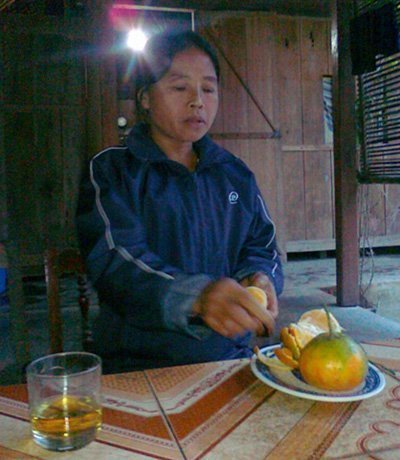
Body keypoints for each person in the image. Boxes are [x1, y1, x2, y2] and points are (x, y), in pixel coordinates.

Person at [76, 30, 284, 372]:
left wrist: (260, 276)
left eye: (208, 89)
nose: (197, 101)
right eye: (179, 87)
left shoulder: (234, 174)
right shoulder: (112, 170)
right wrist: (197, 297)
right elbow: (115, 261)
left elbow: (262, 245)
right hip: (138, 365)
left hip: (229, 357)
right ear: (145, 98)